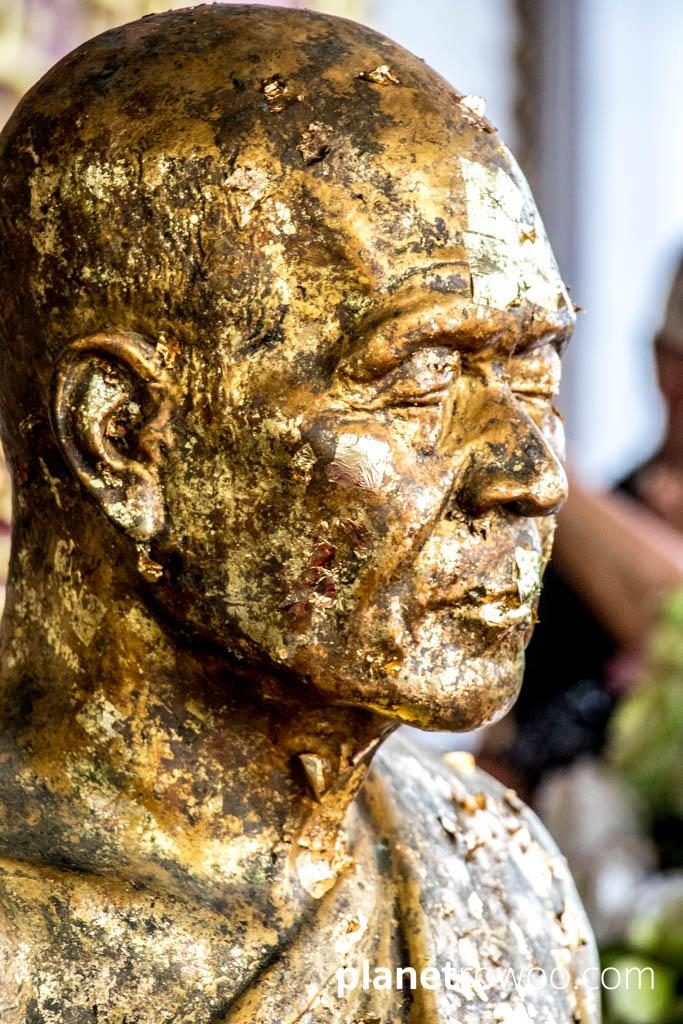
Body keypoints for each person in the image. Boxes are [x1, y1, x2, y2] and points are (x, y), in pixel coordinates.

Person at [0, 7, 598, 1020]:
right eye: (421, 376)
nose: (530, 476)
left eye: (531, 372)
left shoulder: (501, 876)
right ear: (125, 436)